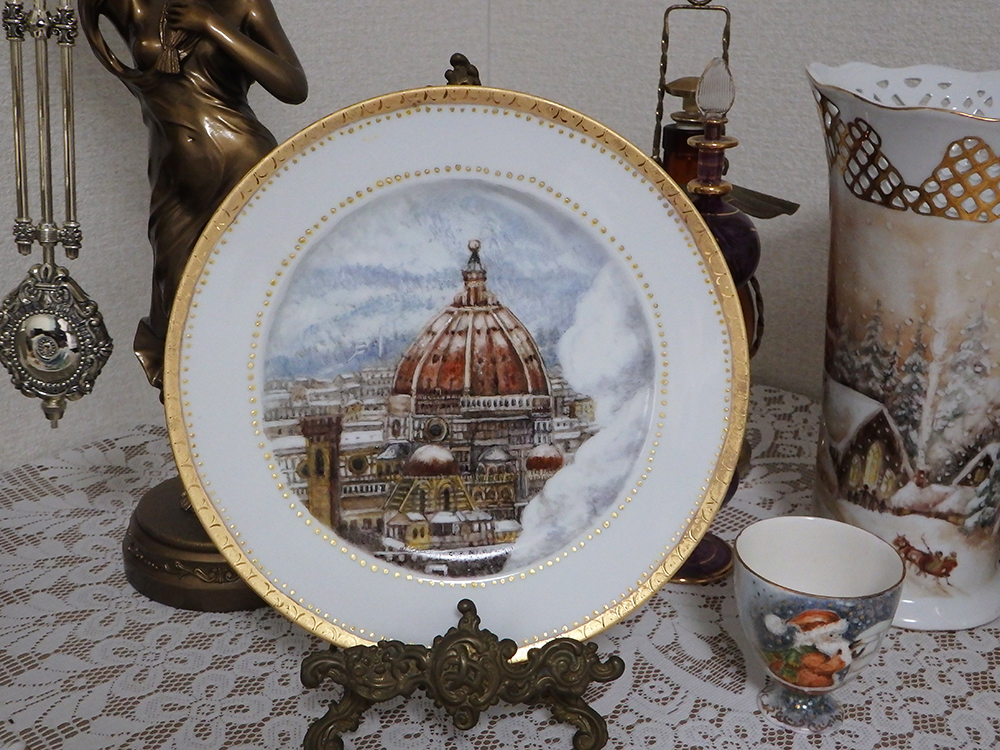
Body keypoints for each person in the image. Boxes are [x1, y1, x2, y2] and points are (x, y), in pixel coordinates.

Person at [79, 0, 307, 390]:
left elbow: (293, 86)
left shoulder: (243, 4)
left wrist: (211, 25)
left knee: (246, 295)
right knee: (174, 308)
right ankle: (189, 414)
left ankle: (237, 405)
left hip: (241, 163)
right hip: (174, 177)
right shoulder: (138, 5)